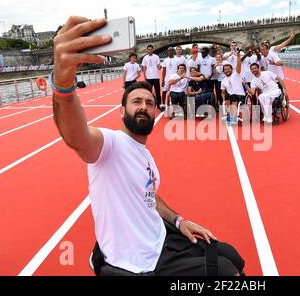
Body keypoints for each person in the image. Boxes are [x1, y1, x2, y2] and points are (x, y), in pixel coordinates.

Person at [51, 16, 245, 276]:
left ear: (156, 112)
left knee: (232, 257)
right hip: (140, 260)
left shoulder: (145, 155)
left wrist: (179, 220)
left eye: (149, 103)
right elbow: (76, 136)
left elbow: (150, 197)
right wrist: (63, 86)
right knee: (228, 273)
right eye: (136, 101)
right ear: (122, 112)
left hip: (161, 235)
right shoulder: (109, 145)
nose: (144, 106)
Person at [220, 51, 246, 125]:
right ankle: (229, 114)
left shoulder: (236, 74)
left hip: (240, 95)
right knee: (228, 95)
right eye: (225, 69)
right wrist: (223, 98)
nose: (227, 70)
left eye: (228, 69)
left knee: (233, 95)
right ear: (224, 71)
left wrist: (238, 56)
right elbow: (223, 92)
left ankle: (233, 116)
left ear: (231, 69)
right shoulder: (223, 81)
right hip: (230, 97)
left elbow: (239, 65)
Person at [142, 45, 163, 111]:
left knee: (158, 92)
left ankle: (159, 106)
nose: (150, 50)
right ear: (147, 50)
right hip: (148, 77)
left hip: (156, 77)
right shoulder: (145, 58)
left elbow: (158, 66)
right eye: (149, 49)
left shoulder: (156, 57)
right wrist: (145, 76)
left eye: (151, 49)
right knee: (148, 92)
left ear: (153, 49)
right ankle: (149, 106)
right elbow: (144, 67)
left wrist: (160, 67)